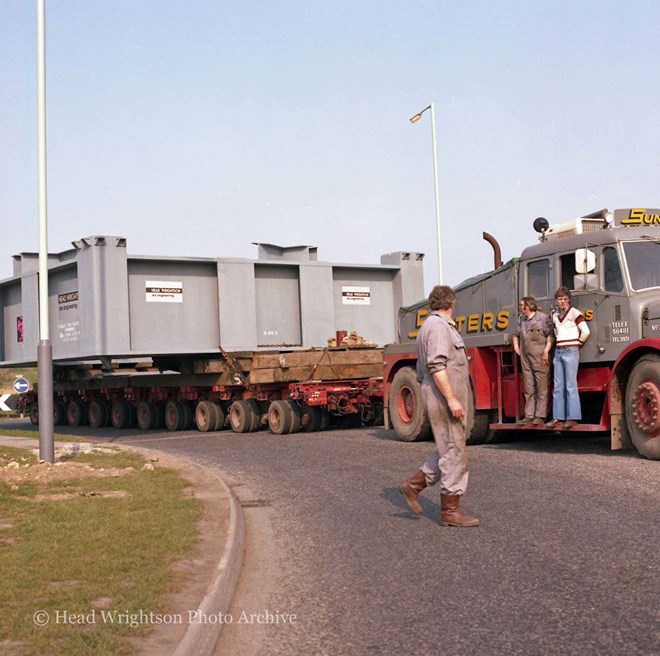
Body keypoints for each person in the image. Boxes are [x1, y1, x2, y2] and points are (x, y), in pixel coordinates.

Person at [398, 285, 479, 527]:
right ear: (451, 304)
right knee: (455, 451)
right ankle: (449, 512)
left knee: (450, 447)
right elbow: (437, 365)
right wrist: (452, 398)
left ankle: (414, 485)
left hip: (440, 394)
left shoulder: (432, 325)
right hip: (442, 396)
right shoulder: (438, 327)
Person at [546, 287, 590, 429]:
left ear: (569, 299)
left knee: (571, 385)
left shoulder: (574, 312)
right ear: (556, 301)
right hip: (558, 351)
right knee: (558, 386)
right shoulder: (554, 315)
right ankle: (558, 417)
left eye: (565, 299)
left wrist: (578, 344)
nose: (562, 301)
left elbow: (585, 331)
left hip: (571, 350)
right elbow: (555, 332)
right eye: (560, 299)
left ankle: (573, 417)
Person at [512, 296, 554, 425]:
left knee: (542, 387)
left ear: (529, 306)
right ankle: (529, 415)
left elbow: (551, 336)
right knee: (529, 386)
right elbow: (515, 334)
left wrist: (546, 351)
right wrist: (516, 347)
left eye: (522, 305)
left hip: (540, 357)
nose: (520, 307)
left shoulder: (543, 318)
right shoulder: (521, 320)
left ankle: (540, 416)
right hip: (525, 358)